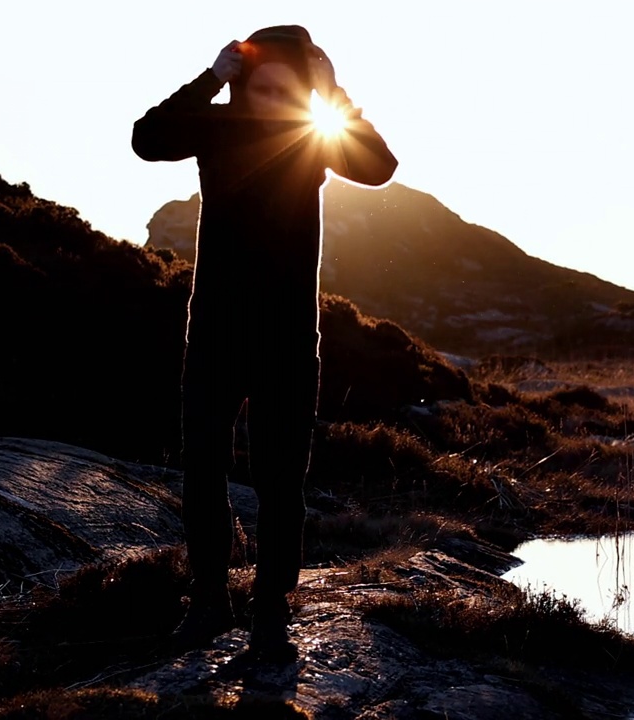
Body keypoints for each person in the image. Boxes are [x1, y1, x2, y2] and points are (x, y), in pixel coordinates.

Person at [132, 25, 397, 660]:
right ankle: (209, 602)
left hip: (285, 336)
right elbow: (146, 139)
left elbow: (380, 166)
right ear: (244, 84)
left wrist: (334, 95)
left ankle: (272, 614)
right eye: (262, 85)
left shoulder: (312, 136)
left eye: (288, 88)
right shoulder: (215, 126)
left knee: (282, 480)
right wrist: (211, 76)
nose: (274, 98)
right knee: (204, 468)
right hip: (217, 329)